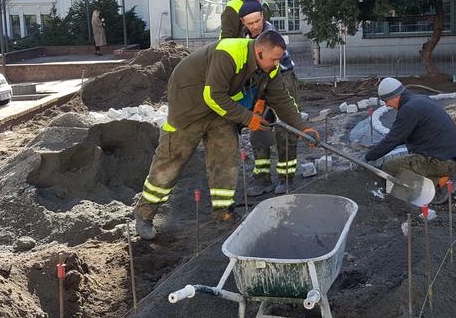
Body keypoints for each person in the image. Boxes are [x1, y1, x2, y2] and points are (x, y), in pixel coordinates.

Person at [133, 30, 320, 240]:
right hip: (189, 104)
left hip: (221, 108)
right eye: (274, 59)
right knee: (172, 159)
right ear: (259, 53)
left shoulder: (269, 68)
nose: (277, 64)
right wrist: (248, 118)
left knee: (226, 158)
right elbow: (212, 95)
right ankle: (144, 213)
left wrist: (303, 127)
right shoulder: (229, 53)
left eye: (279, 59)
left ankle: (223, 213)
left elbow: (282, 100)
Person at [232, 0, 301, 196]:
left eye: (257, 21)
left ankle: (286, 179)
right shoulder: (244, 36)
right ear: (243, 22)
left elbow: (272, 73)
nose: (255, 26)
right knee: (258, 127)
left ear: (262, 16)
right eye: (250, 23)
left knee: (284, 130)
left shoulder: (270, 36)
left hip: (282, 80)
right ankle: (262, 179)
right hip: (259, 83)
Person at [363, 77, 456, 206]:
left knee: (390, 167)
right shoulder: (419, 100)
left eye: (386, 101)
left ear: (395, 96)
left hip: (440, 161)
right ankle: (441, 180)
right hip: (451, 157)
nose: (387, 105)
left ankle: (413, 198)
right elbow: (401, 136)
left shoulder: (409, 109)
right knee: (409, 162)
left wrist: (368, 157)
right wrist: (378, 147)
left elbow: (393, 139)